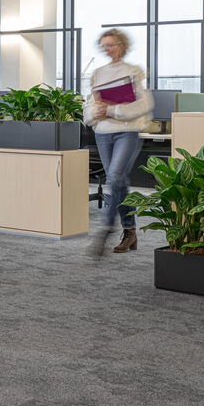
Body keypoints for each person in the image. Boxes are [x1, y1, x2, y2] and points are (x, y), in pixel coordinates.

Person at [83, 28, 152, 254]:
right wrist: (95, 112)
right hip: (103, 133)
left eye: (111, 44)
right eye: (104, 45)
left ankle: (106, 225)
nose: (107, 49)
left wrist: (112, 110)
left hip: (126, 132)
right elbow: (88, 109)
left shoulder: (132, 71)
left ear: (122, 46)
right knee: (119, 181)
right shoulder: (97, 74)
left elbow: (144, 105)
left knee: (114, 176)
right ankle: (130, 232)